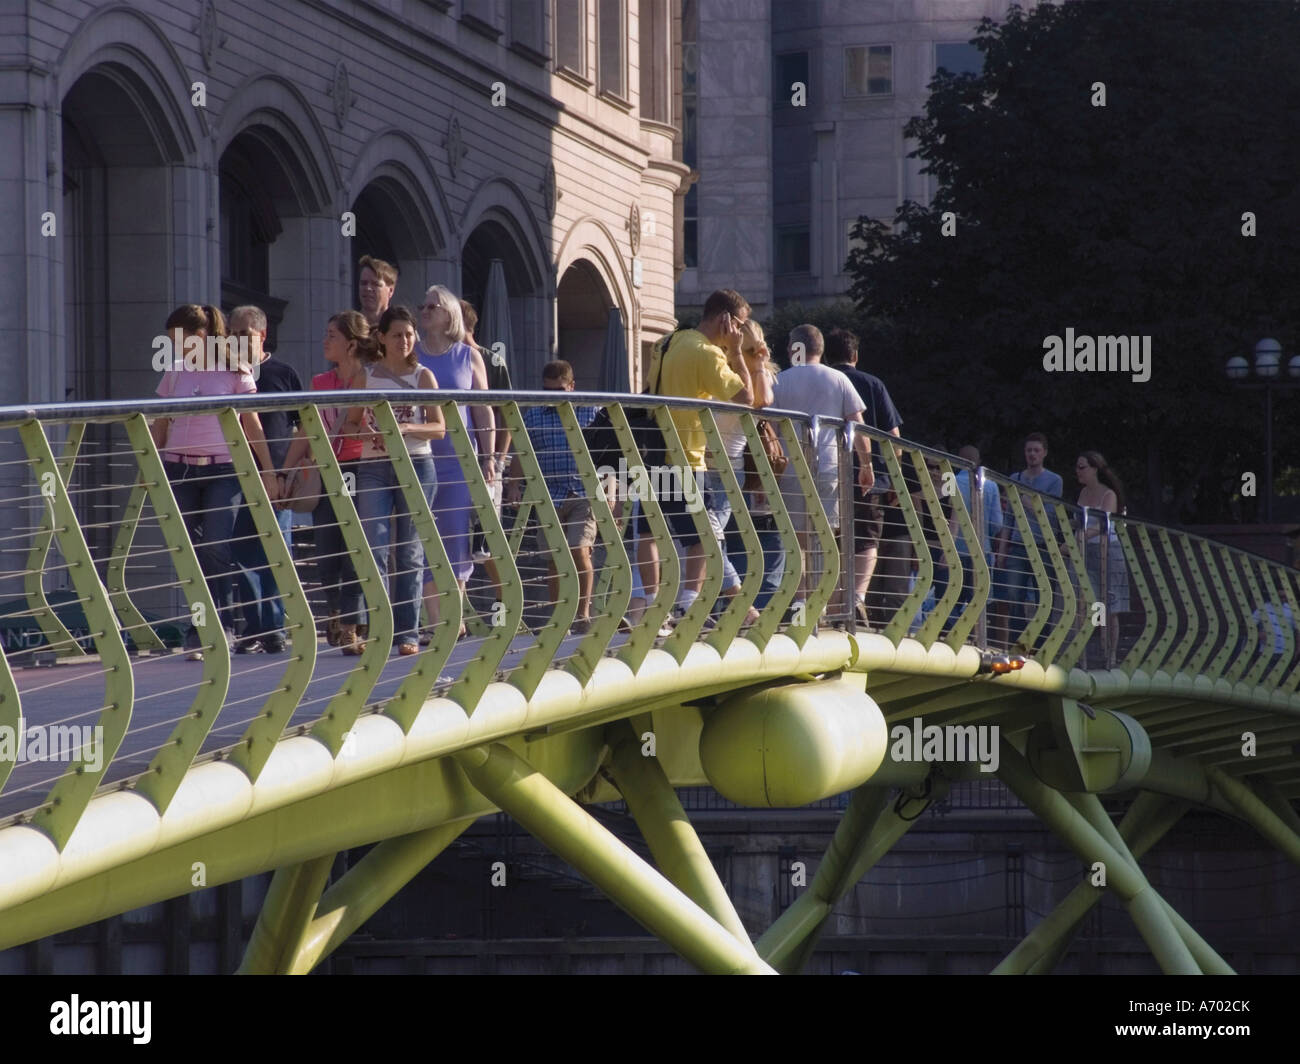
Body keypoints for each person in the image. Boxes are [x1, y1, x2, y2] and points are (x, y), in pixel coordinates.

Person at [149, 304, 280, 662]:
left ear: (203, 336)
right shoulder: (175, 372)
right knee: (189, 550)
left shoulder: (235, 368)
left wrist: (267, 470)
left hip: (223, 470)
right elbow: (160, 423)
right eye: (173, 341)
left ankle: (221, 626)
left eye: (182, 339)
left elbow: (252, 423)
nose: (177, 347)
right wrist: (152, 467)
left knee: (216, 549)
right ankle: (199, 627)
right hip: (181, 469)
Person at [649, 289, 756, 624]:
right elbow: (747, 398)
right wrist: (737, 354)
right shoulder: (709, 354)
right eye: (738, 324)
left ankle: (666, 605)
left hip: (655, 455)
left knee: (668, 535)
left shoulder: (667, 342)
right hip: (688, 458)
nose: (739, 332)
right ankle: (687, 605)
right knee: (704, 537)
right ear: (725, 319)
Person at [343, 306, 445, 655]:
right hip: (374, 465)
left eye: (409, 334)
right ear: (382, 338)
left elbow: (439, 427)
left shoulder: (423, 377)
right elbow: (350, 423)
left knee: (410, 552)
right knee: (375, 546)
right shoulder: (366, 376)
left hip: (416, 464)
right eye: (397, 334)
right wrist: (369, 431)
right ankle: (380, 630)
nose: (404, 340)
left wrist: (404, 428)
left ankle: (407, 634)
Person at [282, 311, 370, 654]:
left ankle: (351, 624)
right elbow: (306, 430)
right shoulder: (320, 383)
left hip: (358, 467)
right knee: (327, 548)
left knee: (354, 549)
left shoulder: (369, 379)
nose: (324, 340)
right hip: (324, 470)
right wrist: (283, 472)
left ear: (350, 344)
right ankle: (335, 613)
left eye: (331, 335)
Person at [772, 324, 874, 619]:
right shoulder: (839, 379)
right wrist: (865, 466)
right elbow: (858, 426)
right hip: (830, 467)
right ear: (821, 349)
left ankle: (801, 606)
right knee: (826, 539)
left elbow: (771, 429)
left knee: (798, 542)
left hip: (790, 469)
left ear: (795, 349)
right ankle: (824, 608)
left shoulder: (780, 381)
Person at [416, 285, 495, 639]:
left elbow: (483, 409)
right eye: (423, 306)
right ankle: (436, 622)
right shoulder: (411, 354)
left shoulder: (467, 355)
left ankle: (454, 616)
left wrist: (490, 458)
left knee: (455, 538)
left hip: (460, 460)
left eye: (433, 305)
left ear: (450, 314)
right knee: (422, 535)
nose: (425, 310)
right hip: (420, 456)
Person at [505, 361, 601, 632]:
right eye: (547, 390)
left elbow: (608, 454)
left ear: (571, 386)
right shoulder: (534, 416)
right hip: (548, 495)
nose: (553, 396)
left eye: (559, 390)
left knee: (578, 550)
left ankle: (582, 614)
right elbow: (522, 451)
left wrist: (612, 491)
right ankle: (560, 618)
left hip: (583, 492)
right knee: (554, 559)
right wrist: (514, 484)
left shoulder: (592, 411)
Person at [228, 305, 302, 654]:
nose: (238, 341)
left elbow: (303, 426)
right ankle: (253, 628)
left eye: (245, 335)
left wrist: (291, 472)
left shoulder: (283, 374)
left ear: (262, 335)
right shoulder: (226, 373)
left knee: (276, 553)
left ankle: (274, 628)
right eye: (233, 334)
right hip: (234, 473)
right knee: (240, 550)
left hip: (275, 476)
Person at [823, 327, 902, 628]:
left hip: (826, 474)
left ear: (828, 356)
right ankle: (856, 598)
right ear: (855, 355)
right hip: (869, 479)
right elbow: (895, 440)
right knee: (867, 539)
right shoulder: (873, 384)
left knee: (833, 538)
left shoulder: (826, 382)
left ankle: (832, 607)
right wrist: (893, 479)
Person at [722, 319, 784, 615]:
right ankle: (739, 610)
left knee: (722, 538)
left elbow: (762, 402)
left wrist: (757, 365)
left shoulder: (755, 371)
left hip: (739, 465)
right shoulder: (724, 364)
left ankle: (741, 611)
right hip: (727, 463)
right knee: (718, 538)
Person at [995, 432, 1064, 633]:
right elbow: (1009, 518)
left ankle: (1041, 641)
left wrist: (1022, 498)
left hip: (1043, 545)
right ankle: (1019, 639)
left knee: (1045, 595)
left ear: (1044, 453)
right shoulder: (1014, 479)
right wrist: (1001, 550)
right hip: (1018, 545)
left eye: (1036, 450)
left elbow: (1049, 514)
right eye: (1028, 450)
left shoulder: (1054, 480)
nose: (1032, 454)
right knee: (1013, 593)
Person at [1075, 450, 1129, 665]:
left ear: (1095, 469)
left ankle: (1110, 655)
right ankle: (1084, 655)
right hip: (1086, 553)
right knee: (1088, 604)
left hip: (1108, 553)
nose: (1077, 472)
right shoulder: (1082, 494)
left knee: (1110, 606)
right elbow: (1079, 523)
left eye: (1082, 467)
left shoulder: (1109, 495)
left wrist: (1078, 539)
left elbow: (1101, 526)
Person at [949, 445, 1003, 613]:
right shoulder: (992, 485)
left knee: (951, 598)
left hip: (954, 549)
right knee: (978, 601)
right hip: (982, 549)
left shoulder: (951, 480)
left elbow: (946, 510)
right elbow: (997, 523)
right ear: (978, 461)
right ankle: (974, 636)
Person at [358, 255, 396, 329]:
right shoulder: (348, 328)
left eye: (375, 284)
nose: (368, 288)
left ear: (390, 291)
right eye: (363, 283)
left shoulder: (400, 328)